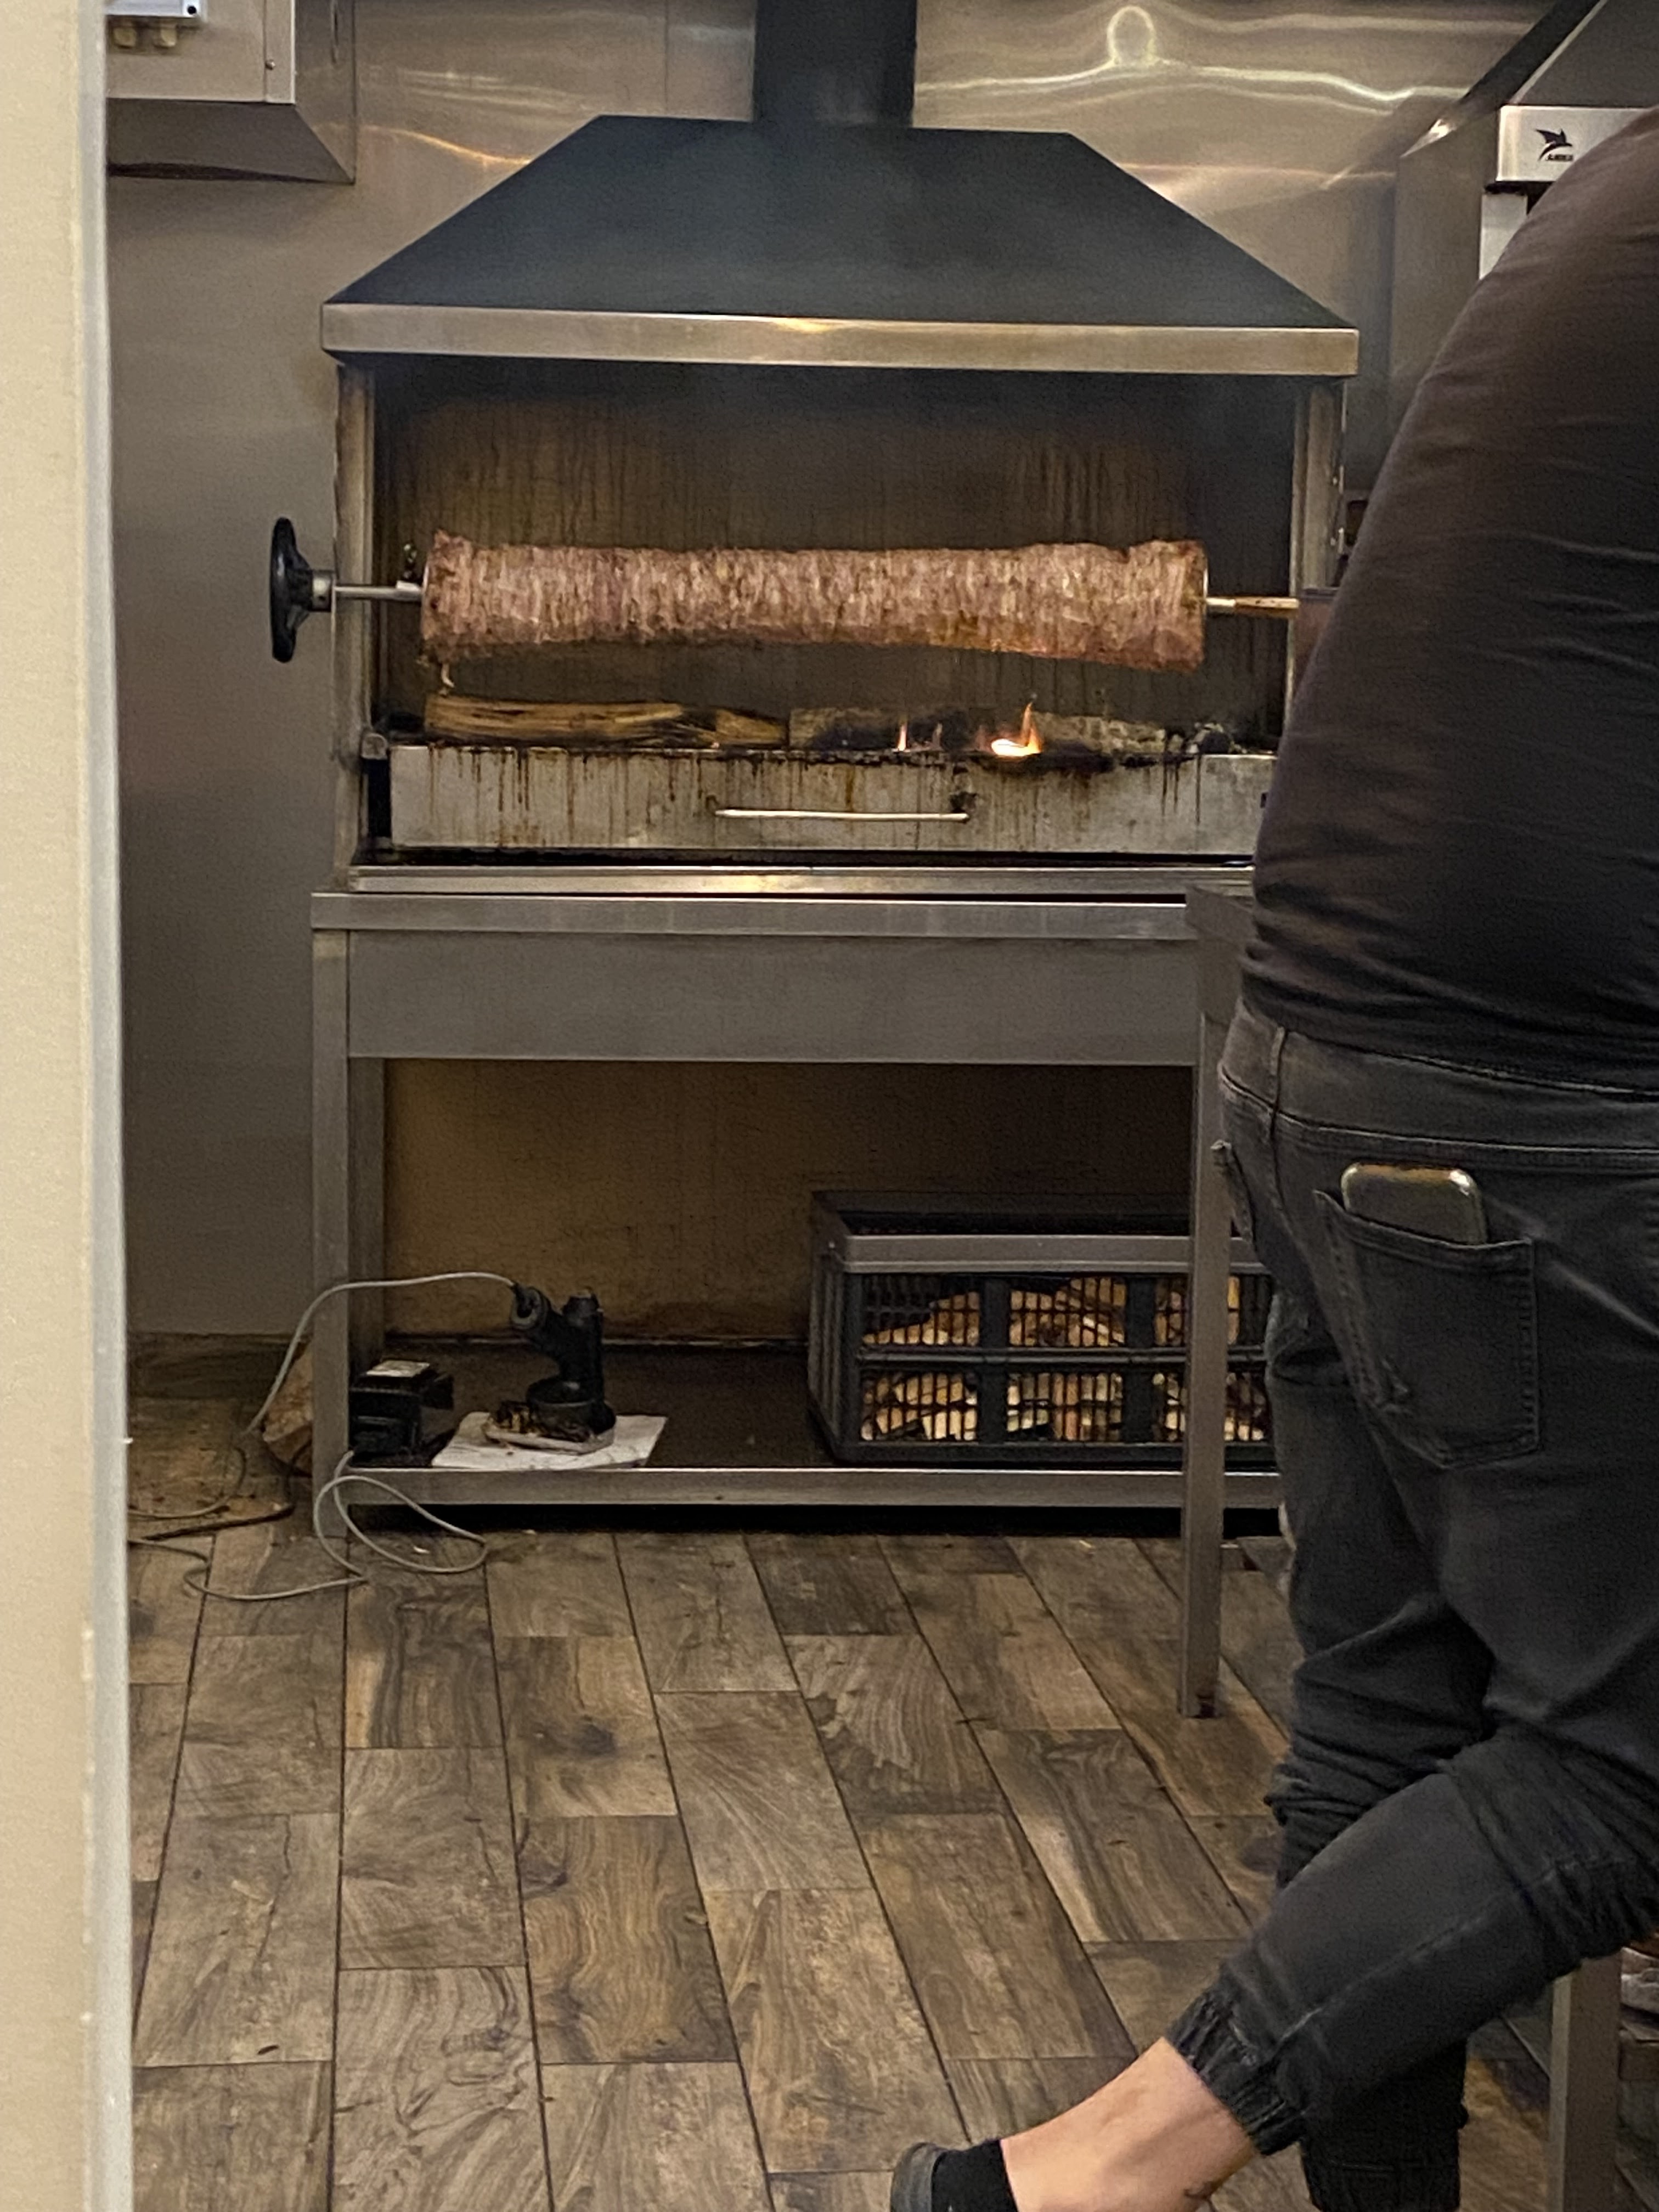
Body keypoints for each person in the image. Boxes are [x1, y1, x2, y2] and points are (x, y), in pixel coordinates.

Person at [893, 105, 1659, 2212]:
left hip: (1316, 1043)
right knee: (1632, 1763)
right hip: (1524, 1098)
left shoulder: (1618, 180)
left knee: (1392, 1727)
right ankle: (1077, 2176)